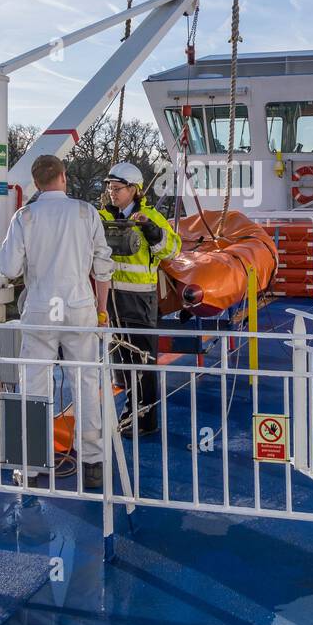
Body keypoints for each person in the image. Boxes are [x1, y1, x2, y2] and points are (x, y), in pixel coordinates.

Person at [0, 154, 112, 489]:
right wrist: (101, 310)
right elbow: (102, 266)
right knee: (86, 382)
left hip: (41, 309)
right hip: (79, 308)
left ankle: (30, 467)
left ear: (36, 182)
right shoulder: (85, 212)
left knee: (33, 384)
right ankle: (92, 463)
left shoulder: (25, 217)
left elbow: (8, 269)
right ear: (63, 176)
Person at [99, 162, 181, 436]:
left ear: (134, 190)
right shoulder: (102, 217)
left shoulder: (150, 217)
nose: (113, 192)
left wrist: (152, 232)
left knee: (142, 364)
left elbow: (172, 251)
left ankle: (144, 420)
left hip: (140, 302)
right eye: (110, 187)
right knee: (122, 364)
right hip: (111, 302)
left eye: (118, 188)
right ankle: (131, 413)